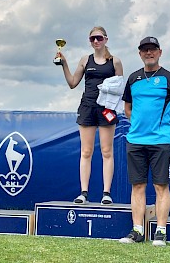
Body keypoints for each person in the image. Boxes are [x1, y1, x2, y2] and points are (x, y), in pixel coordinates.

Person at [119, 36, 170, 246]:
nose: (149, 53)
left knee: (160, 186)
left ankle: (160, 231)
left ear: (159, 52)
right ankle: (137, 231)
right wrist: (139, 126)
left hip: (160, 142)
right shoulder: (132, 79)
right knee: (137, 186)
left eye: (152, 50)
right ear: (140, 54)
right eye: (145, 50)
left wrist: (167, 132)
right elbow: (127, 108)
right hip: (136, 141)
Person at [55, 26, 123, 205]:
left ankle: (106, 193)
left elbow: (119, 88)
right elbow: (72, 83)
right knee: (86, 151)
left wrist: (108, 93)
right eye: (92, 39)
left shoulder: (115, 62)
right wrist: (64, 64)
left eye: (99, 38)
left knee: (107, 151)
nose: (96, 41)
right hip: (87, 107)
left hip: (106, 109)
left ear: (106, 39)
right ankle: (83, 192)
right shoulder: (85, 60)